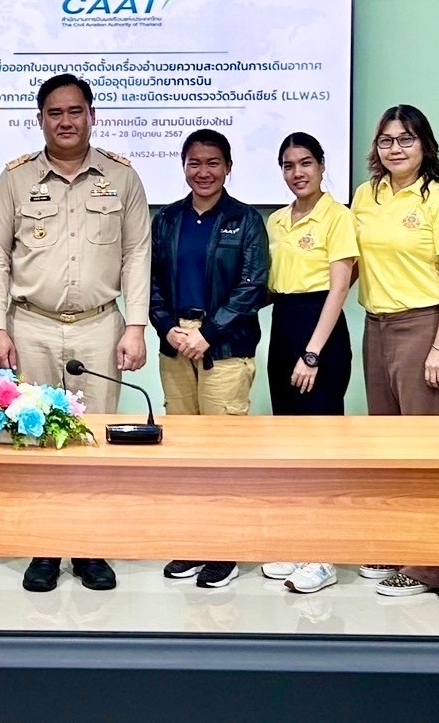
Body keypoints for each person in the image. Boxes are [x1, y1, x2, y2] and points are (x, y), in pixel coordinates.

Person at [0, 73, 151, 593]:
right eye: (54, 113)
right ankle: (45, 548)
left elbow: (136, 253)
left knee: (93, 441)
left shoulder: (122, 177)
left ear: (92, 115)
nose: (65, 121)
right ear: (40, 120)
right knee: (35, 438)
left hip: (100, 326)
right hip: (30, 325)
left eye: (75, 111)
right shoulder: (15, 179)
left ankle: (90, 546)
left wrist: (137, 326)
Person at [351, 105, 439, 598]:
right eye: (386, 140)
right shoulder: (367, 195)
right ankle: (396, 544)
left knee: (425, 451)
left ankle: (426, 565)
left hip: (423, 328)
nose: (395, 148)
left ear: (424, 144)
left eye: (406, 139)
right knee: (388, 448)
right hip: (375, 327)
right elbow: (349, 263)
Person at [150, 129, 269, 591]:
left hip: (225, 346)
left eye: (213, 163)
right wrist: (167, 328)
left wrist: (209, 333)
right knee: (184, 452)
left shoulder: (246, 219)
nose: (204, 172)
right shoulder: (166, 219)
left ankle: (225, 550)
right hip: (176, 344)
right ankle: (193, 543)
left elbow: (252, 285)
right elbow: (149, 282)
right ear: (183, 166)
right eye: (195, 163)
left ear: (228, 167)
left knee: (223, 453)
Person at [259, 131, 357, 596]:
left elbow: (339, 288)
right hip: (284, 327)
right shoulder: (277, 220)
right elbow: (270, 285)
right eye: (288, 165)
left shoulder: (338, 216)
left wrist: (313, 353)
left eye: (305, 163)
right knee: (290, 445)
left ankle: (323, 556)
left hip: (321, 334)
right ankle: (299, 543)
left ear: (321, 166)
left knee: (321, 445)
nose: (297, 173)